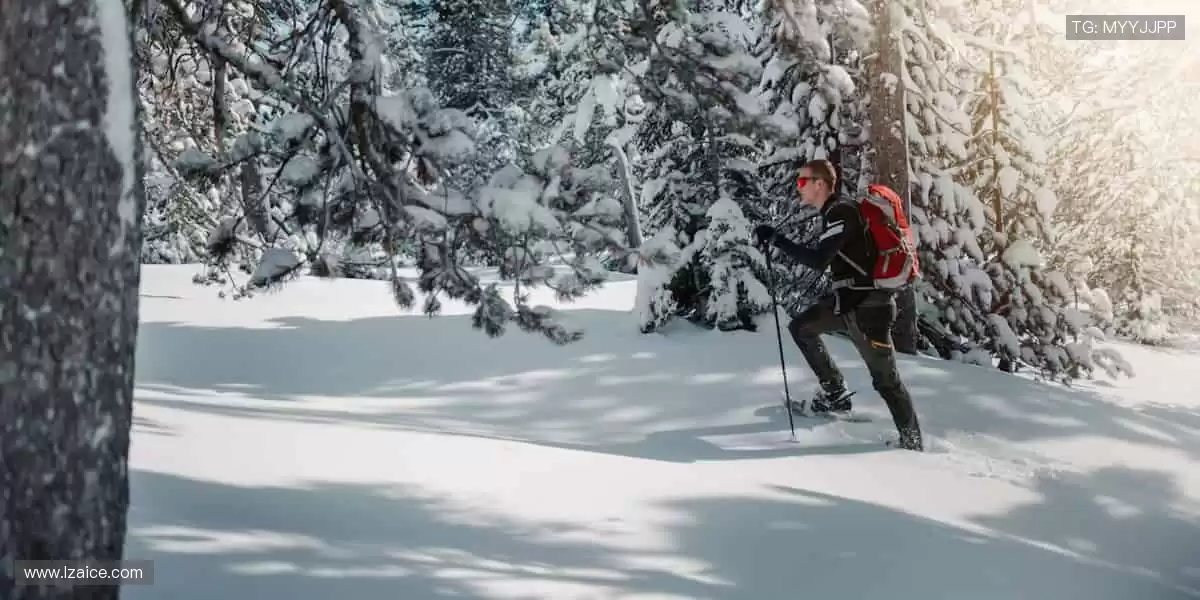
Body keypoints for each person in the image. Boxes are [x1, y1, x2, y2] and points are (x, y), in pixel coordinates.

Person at [753, 159, 924, 451]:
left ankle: (912, 442)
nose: (799, 187)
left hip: (870, 310)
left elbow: (820, 260)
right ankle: (836, 394)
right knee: (802, 327)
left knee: (886, 381)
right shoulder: (836, 212)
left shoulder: (841, 211)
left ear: (820, 184)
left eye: (802, 181)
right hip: (849, 304)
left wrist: (777, 239)